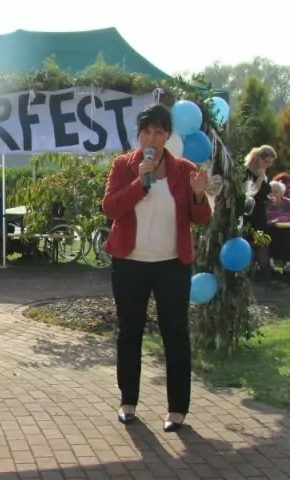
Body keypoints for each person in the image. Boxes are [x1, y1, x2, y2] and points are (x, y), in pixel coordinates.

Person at [102, 104, 211, 432]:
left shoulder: (185, 169)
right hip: (129, 263)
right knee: (129, 332)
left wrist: (198, 195)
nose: (152, 137)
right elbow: (110, 208)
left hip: (171, 265)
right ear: (138, 135)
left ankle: (177, 409)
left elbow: (202, 219)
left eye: (159, 131)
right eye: (146, 131)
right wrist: (140, 182)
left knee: (175, 334)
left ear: (168, 135)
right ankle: (128, 402)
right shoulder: (123, 166)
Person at [244, 145, 277, 277]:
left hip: (260, 211)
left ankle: (264, 268)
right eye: (266, 161)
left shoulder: (262, 173)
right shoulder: (248, 173)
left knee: (264, 239)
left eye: (270, 162)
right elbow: (250, 193)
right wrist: (260, 178)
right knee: (252, 239)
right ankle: (248, 268)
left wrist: (269, 198)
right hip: (250, 213)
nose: (268, 165)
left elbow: (263, 193)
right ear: (259, 158)